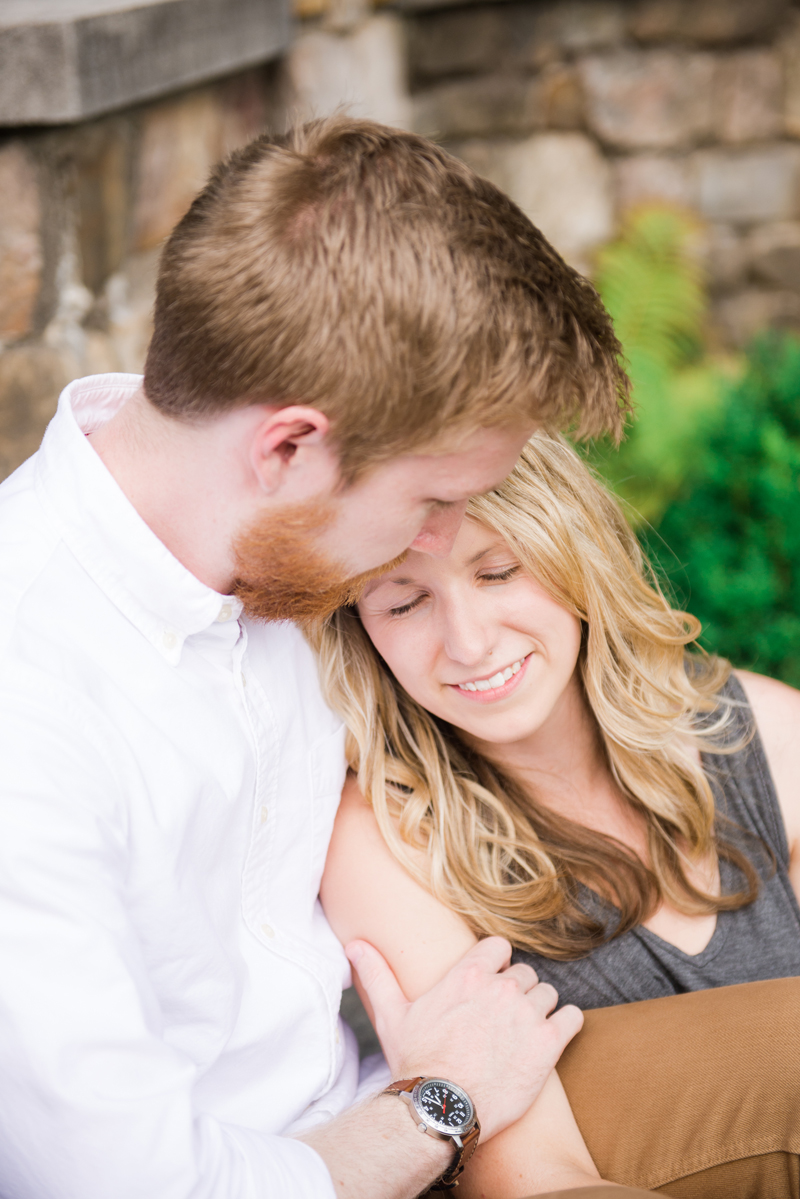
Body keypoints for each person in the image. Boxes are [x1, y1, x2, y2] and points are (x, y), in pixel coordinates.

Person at [0, 117, 641, 1199]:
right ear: (288, 445)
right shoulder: (33, 709)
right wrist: (441, 1103)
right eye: (431, 502)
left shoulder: (240, 522)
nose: (435, 545)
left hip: (404, 1097)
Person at [316, 431, 800, 1196]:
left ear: (574, 549)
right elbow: (532, 1181)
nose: (469, 643)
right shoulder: (388, 838)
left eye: (499, 570)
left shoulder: (764, 735)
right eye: (404, 601)